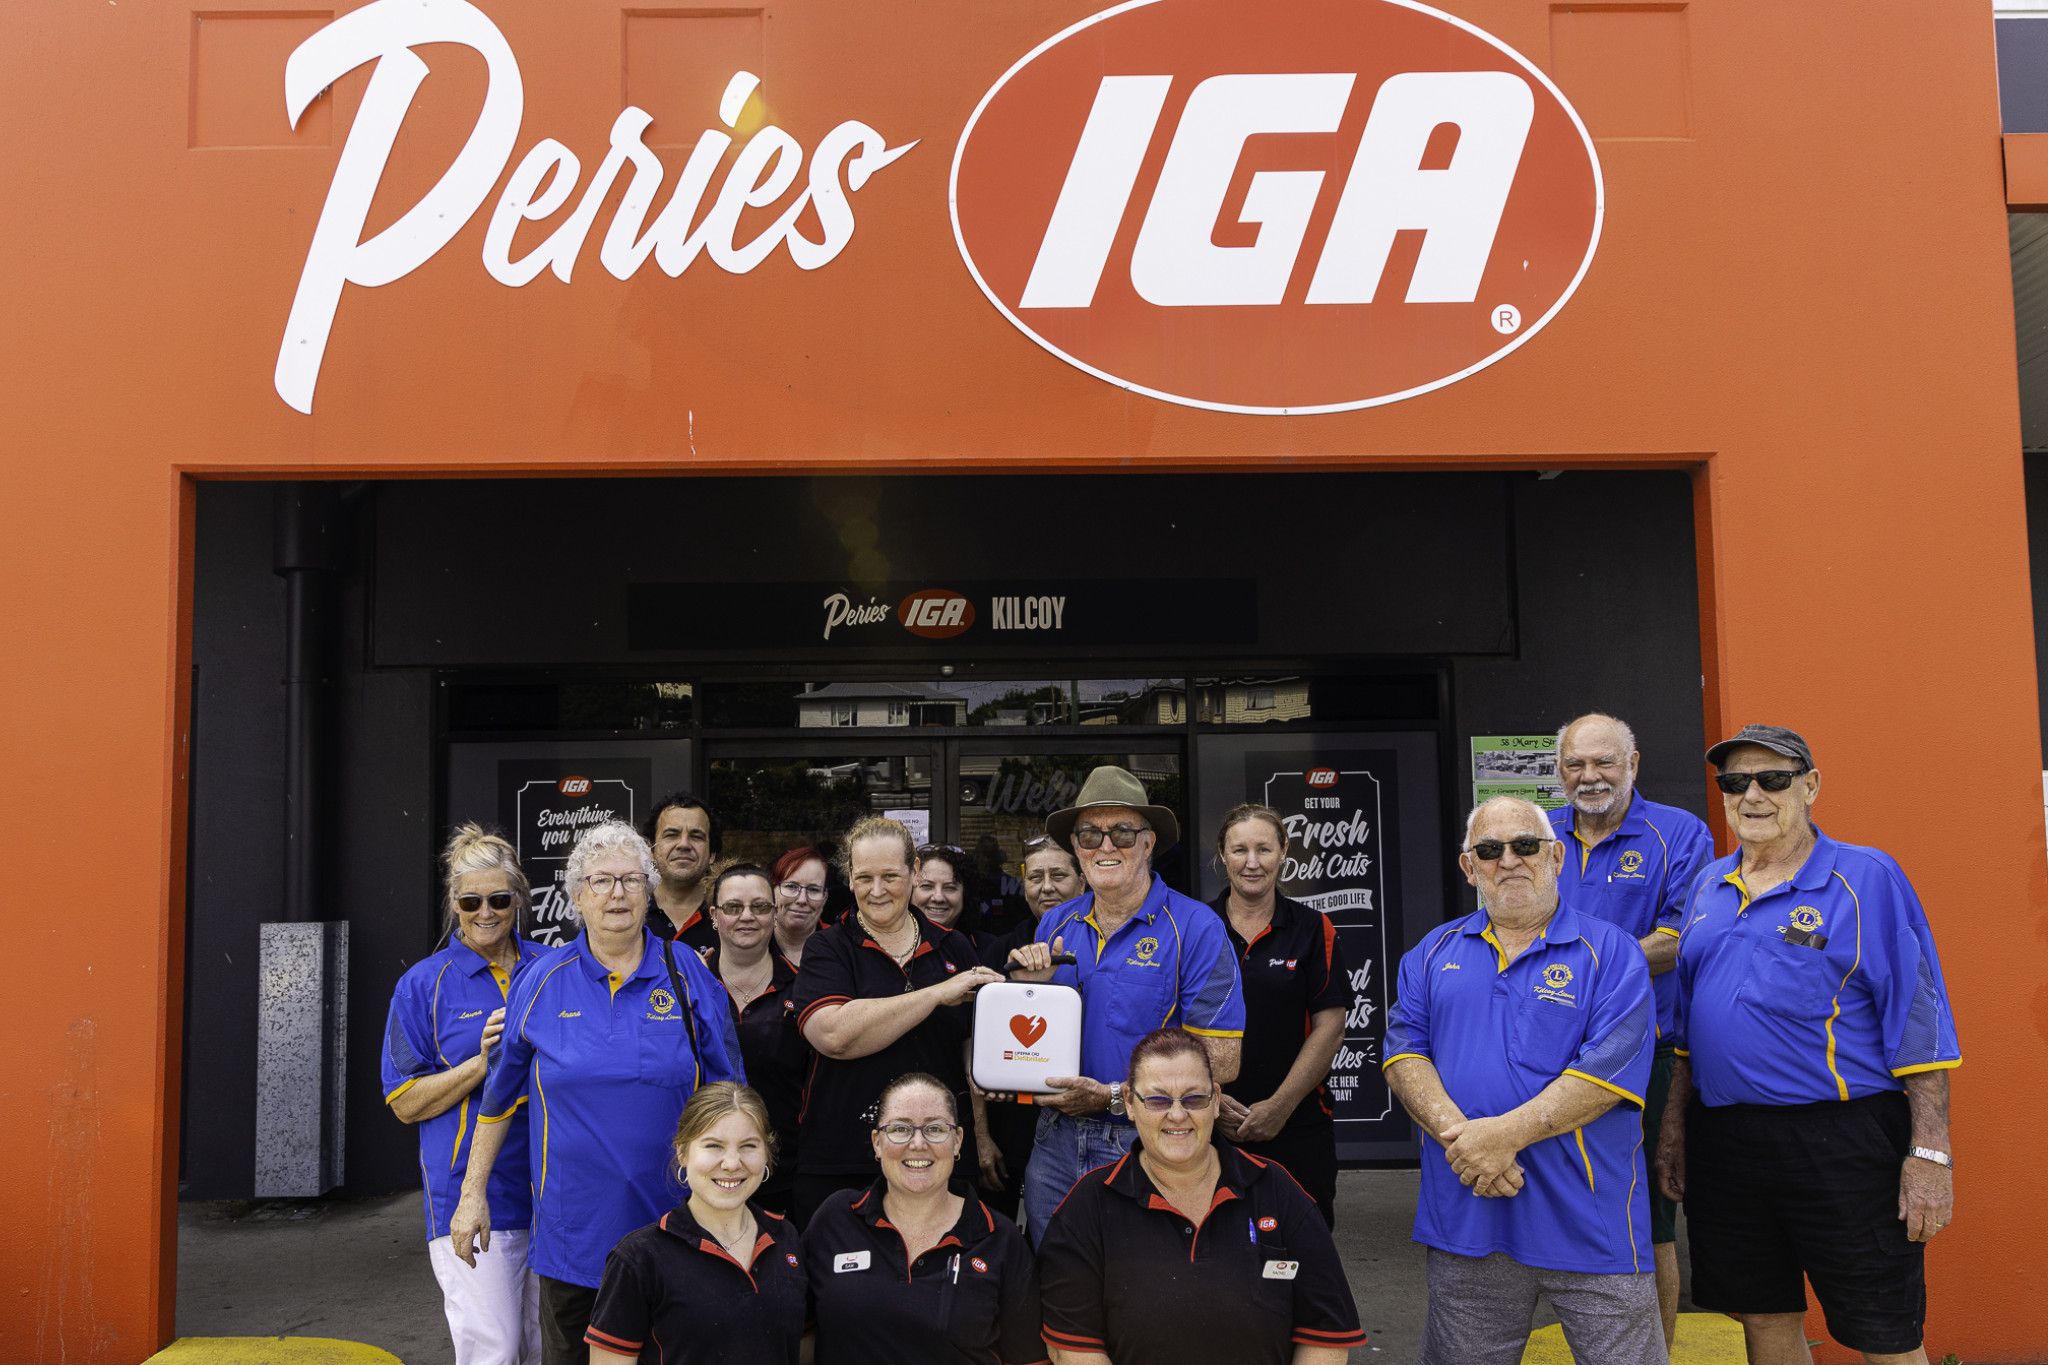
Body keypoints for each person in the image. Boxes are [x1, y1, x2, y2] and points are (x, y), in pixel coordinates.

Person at [1657, 726, 1961, 1365]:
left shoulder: (1866, 877)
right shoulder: (1710, 885)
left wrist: (1930, 1152)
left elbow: (1920, 1021)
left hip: (1843, 1141)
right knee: (1762, 1312)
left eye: (1773, 779)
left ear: (1811, 786)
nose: (1753, 795)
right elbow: (1686, 1028)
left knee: (1884, 1329)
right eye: (1736, 783)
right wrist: (1676, 1128)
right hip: (1727, 1139)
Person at [1382, 795, 1663, 1365]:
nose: (1508, 860)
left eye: (1525, 846)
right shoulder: (1429, 954)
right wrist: (1466, 1139)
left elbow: (1605, 1075)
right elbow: (1404, 1055)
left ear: (1556, 856)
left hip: (1591, 1228)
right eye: (1489, 850)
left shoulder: (1613, 955)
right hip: (1467, 1221)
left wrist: (1499, 1139)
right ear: (1469, 867)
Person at [451, 821, 745, 1365]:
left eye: (632, 880)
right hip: (572, 1242)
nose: (617, 893)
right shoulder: (538, 981)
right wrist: (473, 1196)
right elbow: (497, 1102)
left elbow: (733, 1098)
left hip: (676, 1229)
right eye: (602, 880)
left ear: (650, 890)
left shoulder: (689, 976)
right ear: (577, 896)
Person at [1004, 765, 1245, 1247]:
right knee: (1058, 1283)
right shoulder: (1053, 925)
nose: (1106, 846)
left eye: (1122, 832)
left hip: (1147, 1141)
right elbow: (1034, 1038)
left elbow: (1222, 1062)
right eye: (1091, 834)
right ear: (1076, 846)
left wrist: (1114, 1097)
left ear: (1149, 842)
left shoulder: (1196, 927)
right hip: (1053, 1141)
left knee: (1147, 1289)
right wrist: (1011, 1048)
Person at [1037, 1027, 1365, 1365]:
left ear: (1217, 1101)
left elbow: (1326, 1336)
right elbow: (1072, 1349)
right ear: (1131, 1104)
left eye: (1194, 1098)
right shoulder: (1088, 1206)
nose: (1177, 1115)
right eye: (1158, 1099)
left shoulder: (1276, 1190)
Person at [1548, 712, 1715, 1348]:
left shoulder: (1678, 834)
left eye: (1604, 763)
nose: (1590, 777)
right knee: (1557, 1208)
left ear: (1633, 765)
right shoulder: (1538, 836)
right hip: (1548, 1050)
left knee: (1647, 1221)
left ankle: (1655, 1355)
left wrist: (1578, 969)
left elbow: (1681, 937)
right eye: (1575, 765)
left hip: (1647, 1053)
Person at [382, 824, 549, 1365]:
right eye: (471, 900)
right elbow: (405, 1101)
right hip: (474, 1198)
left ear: (519, 899)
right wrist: (482, 1064)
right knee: (494, 1351)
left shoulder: (553, 967)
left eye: (499, 899)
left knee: (550, 1347)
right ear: (454, 903)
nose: (486, 912)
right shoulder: (424, 984)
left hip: (556, 1193)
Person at [790, 816, 1006, 1226]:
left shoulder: (952, 945)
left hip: (938, 1158)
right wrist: (935, 994)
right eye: (864, 877)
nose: (876, 890)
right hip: (845, 1159)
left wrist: (979, 1135)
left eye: (890, 875)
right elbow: (833, 1034)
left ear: (915, 873)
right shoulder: (827, 948)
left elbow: (968, 1049)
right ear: (849, 877)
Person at [802, 1072, 1042, 1365]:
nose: (918, 1143)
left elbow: (1030, 1360)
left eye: (935, 1128)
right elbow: (799, 1342)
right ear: (877, 1143)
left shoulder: (1000, 1240)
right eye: (901, 1129)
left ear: (958, 1142)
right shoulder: (835, 1220)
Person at [584, 1082, 811, 1365]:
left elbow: (802, 1349)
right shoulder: (638, 1258)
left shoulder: (786, 1238)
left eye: (748, 1146)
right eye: (714, 1146)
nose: (731, 1163)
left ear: (767, 1152)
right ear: (682, 1152)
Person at [1208, 804, 1352, 1228]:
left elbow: (1331, 1027)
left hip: (1297, 1124)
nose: (1252, 863)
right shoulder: (1195, 927)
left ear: (1284, 851)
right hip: (1210, 1121)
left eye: (1264, 849)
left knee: (1302, 1247)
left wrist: (1278, 1107)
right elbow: (1173, 1027)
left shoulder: (1313, 929)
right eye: (1239, 850)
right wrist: (1211, 1099)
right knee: (1218, 1250)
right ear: (1222, 853)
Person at [970, 836, 1086, 1221]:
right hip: (1012, 1127)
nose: (1047, 886)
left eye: (1059, 875)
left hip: (1084, 1124)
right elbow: (975, 1044)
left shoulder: (1104, 948)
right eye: (1035, 877)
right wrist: (982, 1135)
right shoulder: (1001, 951)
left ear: (1082, 882)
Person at [705, 862, 809, 1217]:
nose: (746, 916)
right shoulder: (687, 989)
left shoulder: (805, 989)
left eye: (760, 907)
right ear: (715, 916)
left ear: (775, 913)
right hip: (705, 1177)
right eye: (733, 907)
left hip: (787, 1180)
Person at [643, 793, 722, 952]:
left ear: (712, 854)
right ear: (650, 850)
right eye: (671, 835)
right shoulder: (631, 911)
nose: (684, 844)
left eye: (696, 836)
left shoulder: (729, 914)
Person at [770, 846, 831, 970]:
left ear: (825, 899)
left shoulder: (842, 948)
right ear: (771, 892)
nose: (802, 900)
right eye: (792, 887)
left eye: (814, 889)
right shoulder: (752, 945)